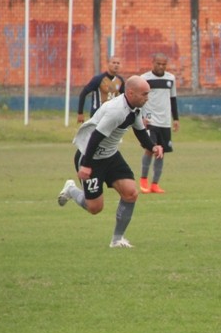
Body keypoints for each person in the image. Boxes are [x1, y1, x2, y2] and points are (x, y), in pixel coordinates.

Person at [58, 75, 164, 248]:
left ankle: (117, 239)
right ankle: (71, 189)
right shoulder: (116, 111)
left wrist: (152, 147)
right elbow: (95, 137)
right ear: (131, 92)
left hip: (111, 155)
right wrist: (85, 165)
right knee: (94, 207)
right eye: (144, 94)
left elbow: (140, 131)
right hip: (90, 156)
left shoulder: (135, 108)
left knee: (131, 193)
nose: (147, 98)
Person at [139, 53, 179, 194]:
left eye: (164, 64)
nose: (161, 66)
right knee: (151, 149)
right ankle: (143, 180)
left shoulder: (170, 79)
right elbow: (139, 98)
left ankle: (155, 184)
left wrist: (176, 119)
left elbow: (173, 99)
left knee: (162, 153)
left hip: (165, 122)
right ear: (153, 63)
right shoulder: (144, 79)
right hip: (150, 120)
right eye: (158, 64)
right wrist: (141, 117)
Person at [76, 55, 125, 123]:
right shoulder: (98, 79)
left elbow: (125, 97)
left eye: (118, 63)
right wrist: (80, 113)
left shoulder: (120, 80)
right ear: (108, 64)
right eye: (113, 63)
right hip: (97, 114)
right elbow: (83, 93)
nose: (116, 65)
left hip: (112, 114)